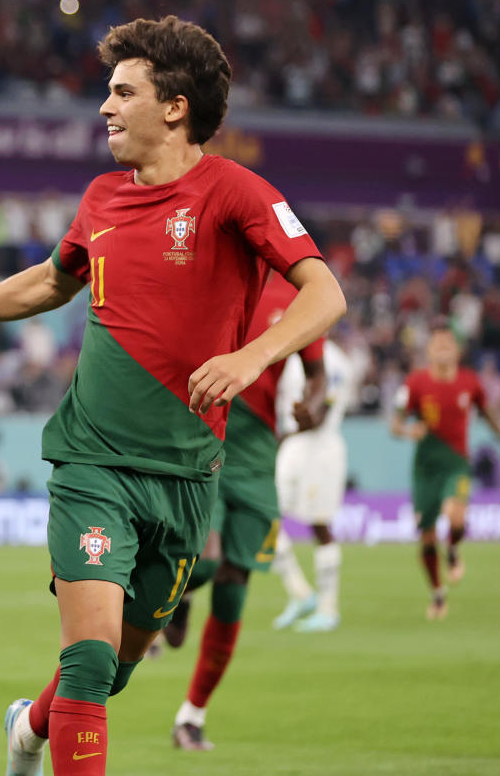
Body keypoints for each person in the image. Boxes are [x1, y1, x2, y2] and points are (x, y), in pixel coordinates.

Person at [0, 15, 346, 776]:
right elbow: (52, 281)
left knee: (112, 670)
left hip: (188, 475)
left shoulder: (236, 193)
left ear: (175, 107)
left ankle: (27, 729)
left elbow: (325, 293)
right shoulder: (102, 197)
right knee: (87, 662)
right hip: (93, 462)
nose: (105, 107)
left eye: (124, 92)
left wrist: (254, 357)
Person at [164, 273, 327, 752]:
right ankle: (175, 594)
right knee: (207, 560)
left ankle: (191, 717)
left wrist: (312, 408)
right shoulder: (205, 274)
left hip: (258, 456)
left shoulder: (295, 294)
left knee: (234, 589)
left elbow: (316, 376)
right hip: (205, 436)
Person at [390, 324, 500, 620]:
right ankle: (437, 594)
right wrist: (410, 431)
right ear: (429, 350)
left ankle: (455, 549)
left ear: (458, 350)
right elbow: (395, 425)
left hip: (456, 463)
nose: (443, 348)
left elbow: (489, 416)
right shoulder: (415, 383)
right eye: (438, 344)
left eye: (449, 343)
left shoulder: (470, 383)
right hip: (425, 469)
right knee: (428, 537)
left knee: (456, 516)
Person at [270, 338, 356, 632]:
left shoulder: (332, 360)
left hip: (319, 450)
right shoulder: (292, 351)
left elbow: (321, 414)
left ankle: (328, 608)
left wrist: (281, 436)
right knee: (265, 516)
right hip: (292, 447)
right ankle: (300, 592)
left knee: (320, 526)